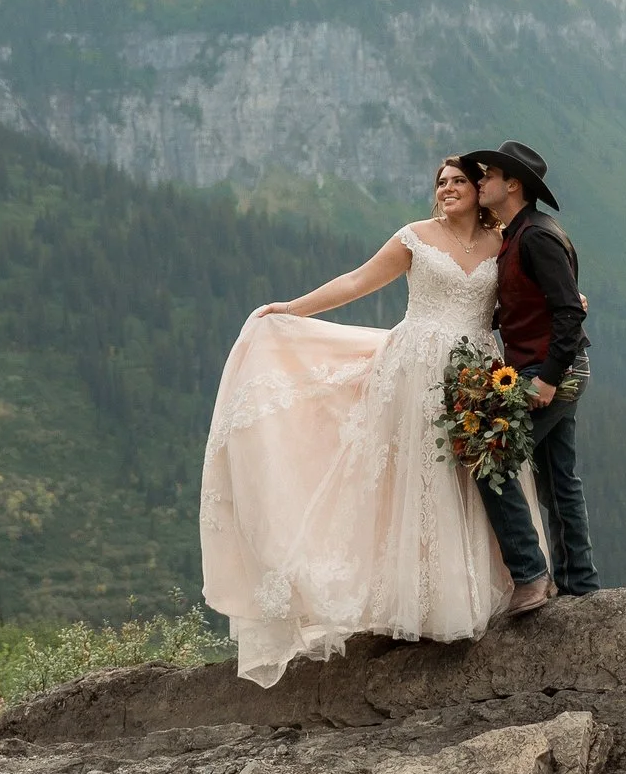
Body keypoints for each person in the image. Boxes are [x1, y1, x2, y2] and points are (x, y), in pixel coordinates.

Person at [198, 156, 517, 685]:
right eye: (440, 182)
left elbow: (525, 294)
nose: (447, 189)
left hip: (478, 371)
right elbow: (356, 281)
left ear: (481, 189)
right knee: (412, 481)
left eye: (459, 181)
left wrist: (567, 301)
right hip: (414, 370)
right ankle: (409, 603)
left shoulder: (501, 242)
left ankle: (469, 595)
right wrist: (292, 309)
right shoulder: (414, 237)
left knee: (470, 478)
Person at [461, 141, 597, 611]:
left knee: (490, 459)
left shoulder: (536, 236)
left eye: (488, 175)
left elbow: (567, 313)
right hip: (551, 367)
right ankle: (580, 584)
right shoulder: (525, 234)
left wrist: (547, 380)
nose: (480, 181)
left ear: (512, 184)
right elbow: (535, 304)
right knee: (559, 480)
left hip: (551, 370)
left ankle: (531, 577)